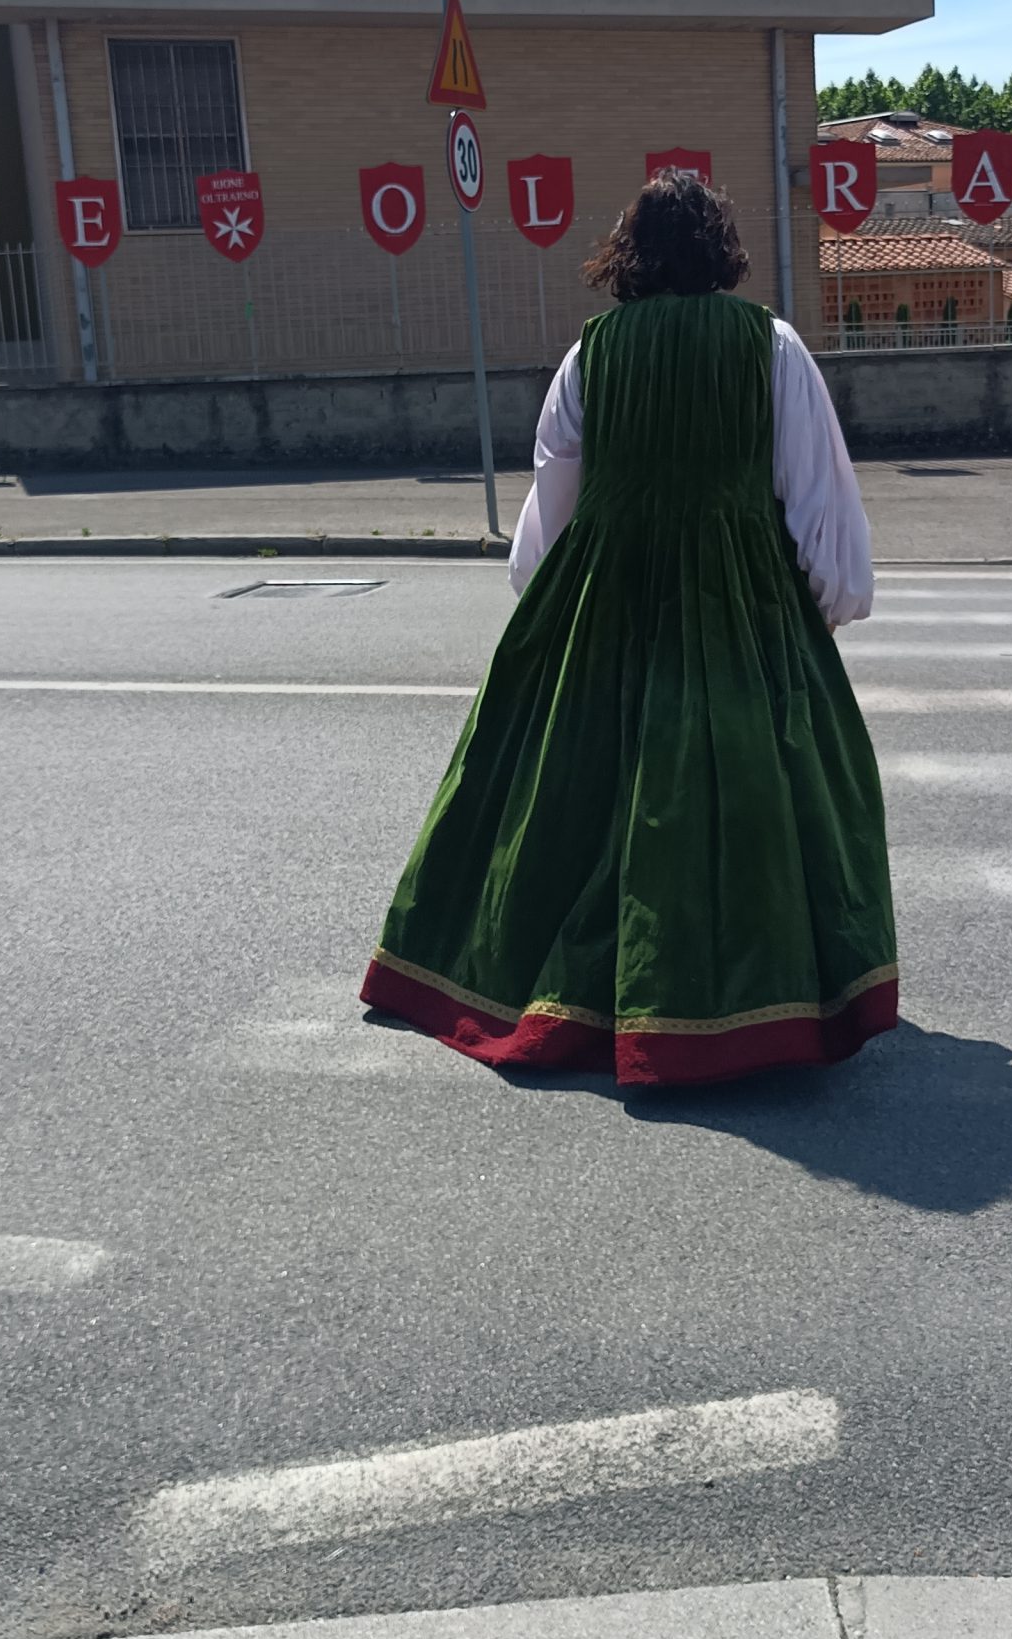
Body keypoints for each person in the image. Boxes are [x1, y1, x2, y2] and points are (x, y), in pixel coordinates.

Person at [359, 169, 896, 1088]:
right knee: (742, 791)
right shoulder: (770, 346)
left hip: (606, 599)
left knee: (576, 793)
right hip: (739, 600)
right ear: (721, 250)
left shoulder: (591, 354)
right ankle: (747, 998)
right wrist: (827, 603)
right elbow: (817, 496)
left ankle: (577, 989)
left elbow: (553, 502)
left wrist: (547, 610)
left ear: (631, 254)